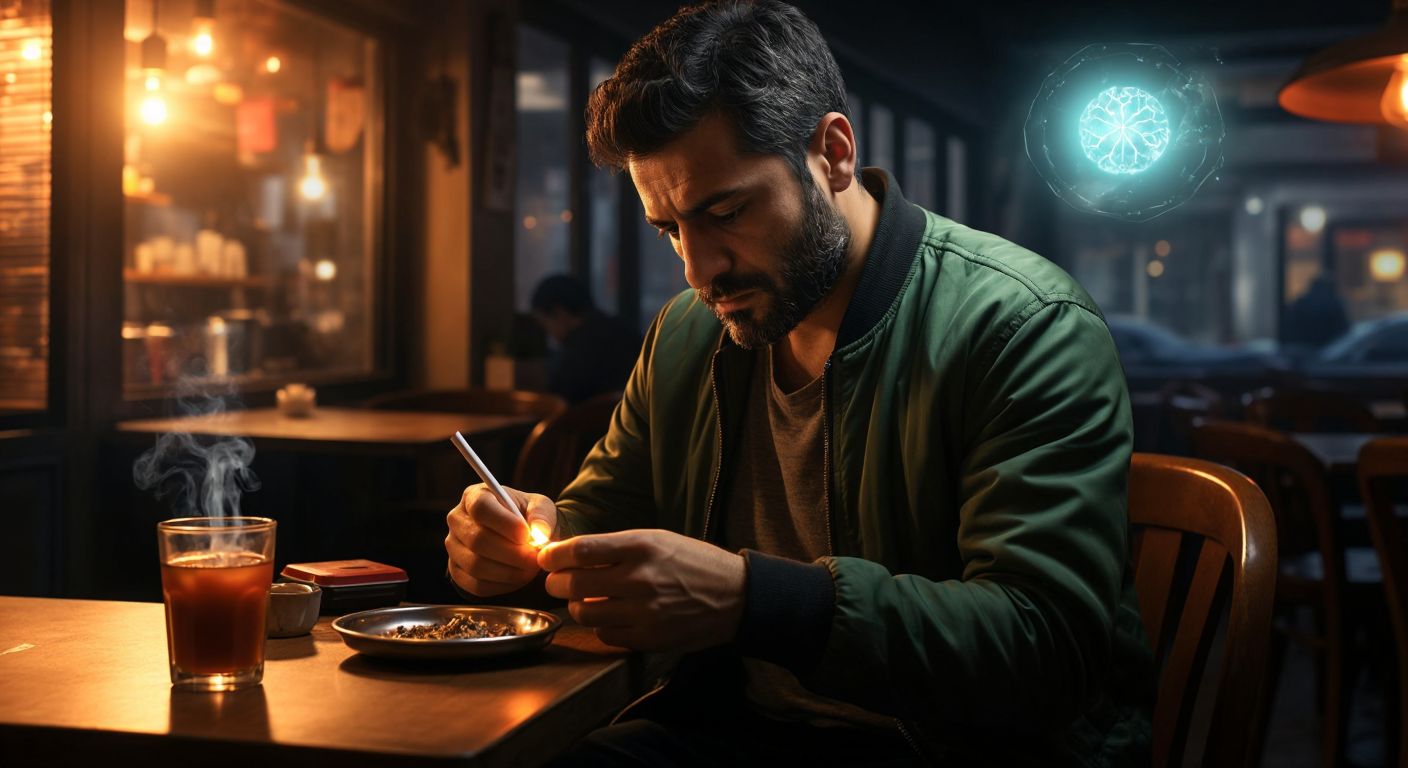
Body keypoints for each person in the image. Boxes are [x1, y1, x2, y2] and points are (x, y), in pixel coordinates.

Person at [445, 1, 1152, 764]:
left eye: (726, 211)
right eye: (670, 229)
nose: (697, 269)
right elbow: (600, 515)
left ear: (833, 153)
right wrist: (524, 543)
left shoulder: (1023, 326)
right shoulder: (687, 333)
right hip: (722, 723)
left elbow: (1046, 649)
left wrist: (756, 601)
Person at [530, 274, 641, 403]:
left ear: (560, 313)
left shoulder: (577, 352)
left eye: (545, 325)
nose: (549, 334)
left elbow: (559, 399)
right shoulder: (623, 330)